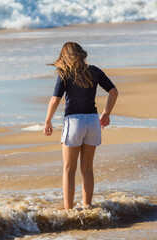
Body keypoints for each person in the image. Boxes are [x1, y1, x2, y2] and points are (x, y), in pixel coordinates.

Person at [44, 42, 118, 210]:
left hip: (74, 122)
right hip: (92, 121)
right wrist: (106, 113)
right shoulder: (95, 71)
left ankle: (69, 210)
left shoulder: (64, 73)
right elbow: (114, 92)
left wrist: (48, 120)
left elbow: (55, 99)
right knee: (87, 168)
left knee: (69, 169)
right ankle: (87, 207)